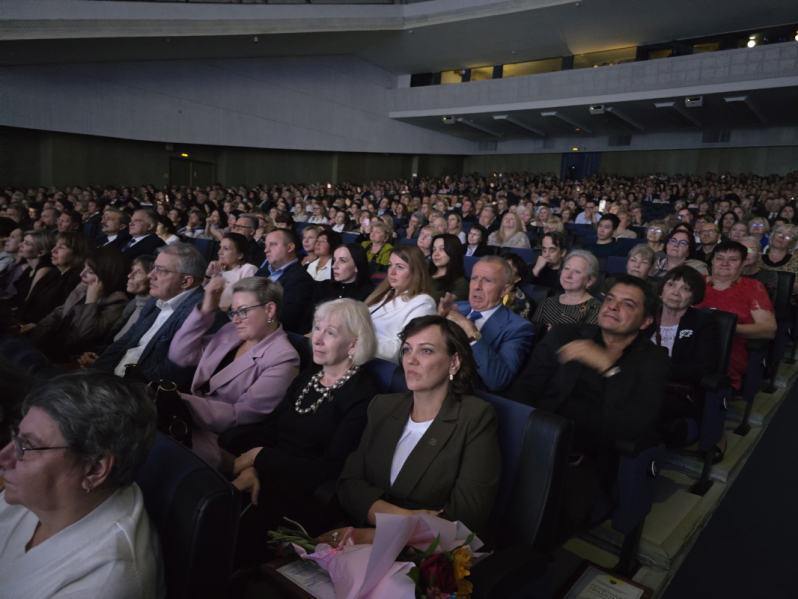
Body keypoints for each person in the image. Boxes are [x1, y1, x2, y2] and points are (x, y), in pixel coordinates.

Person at [506, 275, 669, 539]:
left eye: (627, 304)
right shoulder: (565, 333)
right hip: (537, 439)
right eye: (611, 299)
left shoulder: (654, 361)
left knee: (538, 520)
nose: (613, 307)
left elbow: (634, 424)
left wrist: (608, 367)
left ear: (646, 321)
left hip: (586, 459)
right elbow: (524, 389)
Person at [219, 300, 381, 565]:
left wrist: (259, 457)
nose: (316, 338)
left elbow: (328, 471)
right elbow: (269, 428)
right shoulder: (310, 376)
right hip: (262, 473)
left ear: (353, 344)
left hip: (300, 497)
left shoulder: (363, 396)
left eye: (330, 332)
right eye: (316, 328)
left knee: (221, 537)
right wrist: (251, 469)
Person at [325, 315, 501, 544]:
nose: (411, 360)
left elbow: (466, 518)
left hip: (425, 553)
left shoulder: (475, 417)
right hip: (356, 534)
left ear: (454, 362)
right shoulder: (383, 406)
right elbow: (349, 483)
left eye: (426, 351)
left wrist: (375, 536)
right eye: (407, 350)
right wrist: (406, 518)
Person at [0, 371, 164, 598]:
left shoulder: (102, 584)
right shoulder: (46, 492)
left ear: (95, 469)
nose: (4, 457)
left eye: (27, 445)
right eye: (16, 437)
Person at [168, 277, 300, 471]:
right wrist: (206, 310)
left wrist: (179, 401)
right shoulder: (231, 331)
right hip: (183, 418)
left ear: (269, 310)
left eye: (243, 311)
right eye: (234, 312)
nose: (236, 319)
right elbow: (180, 356)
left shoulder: (283, 358)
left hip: (214, 438)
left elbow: (241, 415)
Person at [93, 243, 215, 388]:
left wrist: (115, 385)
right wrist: (96, 373)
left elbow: (173, 372)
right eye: (153, 268)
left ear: (186, 281)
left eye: (160, 270)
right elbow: (123, 343)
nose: (151, 275)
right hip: (110, 380)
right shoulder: (155, 302)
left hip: (135, 391)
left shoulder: (200, 315)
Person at [438, 256, 535, 392]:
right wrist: (438, 321)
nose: (477, 286)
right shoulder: (456, 308)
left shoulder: (518, 328)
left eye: (487, 280)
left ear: (504, 290)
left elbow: (497, 380)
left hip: (463, 396)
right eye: (474, 278)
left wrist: (471, 331)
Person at [649, 266, 718, 448]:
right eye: (671, 284)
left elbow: (702, 368)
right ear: (662, 288)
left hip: (677, 393)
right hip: (640, 385)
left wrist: (657, 370)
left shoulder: (703, 324)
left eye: (685, 288)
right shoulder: (645, 316)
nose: (675, 292)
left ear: (694, 297)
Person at [22, 247, 131, 363]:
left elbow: (85, 334)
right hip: (53, 342)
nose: (81, 274)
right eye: (84, 268)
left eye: (90, 272)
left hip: (72, 356)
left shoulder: (118, 301)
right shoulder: (83, 286)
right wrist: (42, 325)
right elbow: (61, 311)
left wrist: (91, 301)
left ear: (107, 275)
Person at [696, 240, 777, 391]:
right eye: (719, 258)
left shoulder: (753, 288)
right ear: (712, 260)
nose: (725, 263)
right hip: (690, 342)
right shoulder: (696, 282)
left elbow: (769, 330)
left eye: (733, 259)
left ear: (742, 264)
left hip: (729, 350)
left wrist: (726, 328)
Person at [365, 245, 437, 362]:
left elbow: (405, 347)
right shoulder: (384, 293)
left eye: (400, 267)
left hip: (382, 366)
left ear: (415, 272)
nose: (392, 272)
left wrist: (360, 343)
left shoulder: (423, 303)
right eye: (390, 265)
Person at [299, 244, 376, 334]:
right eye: (334, 260)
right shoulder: (323, 286)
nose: (334, 266)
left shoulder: (370, 293)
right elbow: (308, 320)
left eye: (342, 261)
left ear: (357, 266)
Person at [20, 231, 92, 325]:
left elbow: (61, 314)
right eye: (55, 245)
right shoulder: (54, 273)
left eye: (61, 247)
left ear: (77, 254)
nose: (53, 250)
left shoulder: (76, 279)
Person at [255, 229, 315, 334]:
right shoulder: (263, 271)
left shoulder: (301, 279)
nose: (266, 250)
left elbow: (283, 319)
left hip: (268, 335)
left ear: (290, 247)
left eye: (273, 244)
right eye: (266, 245)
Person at [533, 250, 602, 326]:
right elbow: (533, 333)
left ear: (590, 281)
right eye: (566, 268)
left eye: (577, 271)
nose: (568, 275)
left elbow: (585, 337)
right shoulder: (547, 303)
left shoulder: (595, 308)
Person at [203, 233, 258, 310]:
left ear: (239, 255)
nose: (219, 252)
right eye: (220, 247)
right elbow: (200, 296)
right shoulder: (218, 271)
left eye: (226, 248)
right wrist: (208, 275)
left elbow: (246, 303)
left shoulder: (248, 269)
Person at [10, 230, 55, 313]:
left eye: (27, 243)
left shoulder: (43, 270)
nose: (20, 245)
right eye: (23, 241)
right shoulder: (29, 268)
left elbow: (28, 302)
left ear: (41, 252)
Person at [429, 234, 469, 303]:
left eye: (442, 249)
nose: (436, 254)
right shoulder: (424, 273)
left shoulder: (460, 284)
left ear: (453, 251)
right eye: (434, 249)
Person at [761, 223, 798, 292]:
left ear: (792, 244)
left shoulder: (796, 261)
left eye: (788, 236)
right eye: (779, 233)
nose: (782, 237)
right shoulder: (757, 258)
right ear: (772, 237)